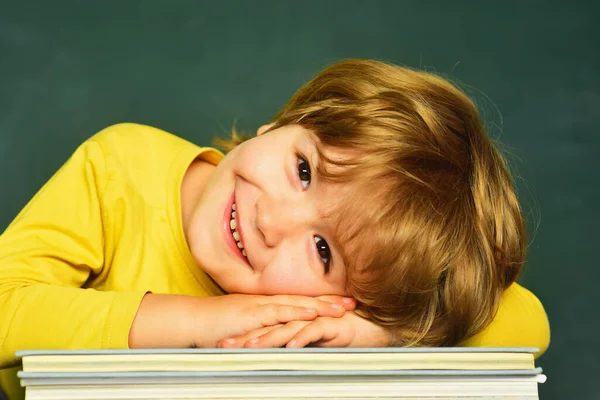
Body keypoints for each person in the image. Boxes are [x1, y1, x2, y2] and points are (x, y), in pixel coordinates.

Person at [0, 59, 550, 399]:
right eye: (304, 170)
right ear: (286, 122)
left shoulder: (345, 319)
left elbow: (528, 322)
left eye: (322, 250)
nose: (271, 219)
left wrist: (383, 332)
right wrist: (205, 320)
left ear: (349, 300)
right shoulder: (119, 168)